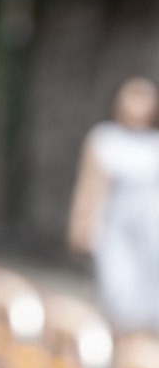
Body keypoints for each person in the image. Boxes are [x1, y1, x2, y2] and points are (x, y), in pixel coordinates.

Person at [68, 76, 159, 336]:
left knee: (149, 293)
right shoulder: (105, 138)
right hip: (115, 225)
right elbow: (90, 184)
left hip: (150, 228)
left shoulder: (154, 143)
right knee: (118, 289)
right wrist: (81, 222)